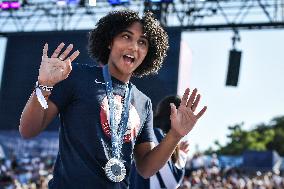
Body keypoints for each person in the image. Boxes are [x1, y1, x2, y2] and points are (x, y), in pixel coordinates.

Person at [19, 9, 207, 189]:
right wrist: (43, 86)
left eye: (142, 42)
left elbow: (146, 168)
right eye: (126, 37)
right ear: (110, 41)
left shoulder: (143, 102)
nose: (134, 46)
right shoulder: (77, 76)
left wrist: (175, 135)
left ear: (148, 53)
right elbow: (28, 130)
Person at [130, 95, 190, 189]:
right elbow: (171, 181)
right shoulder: (154, 134)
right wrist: (182, 156)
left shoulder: (152, 133)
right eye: (184, 115)